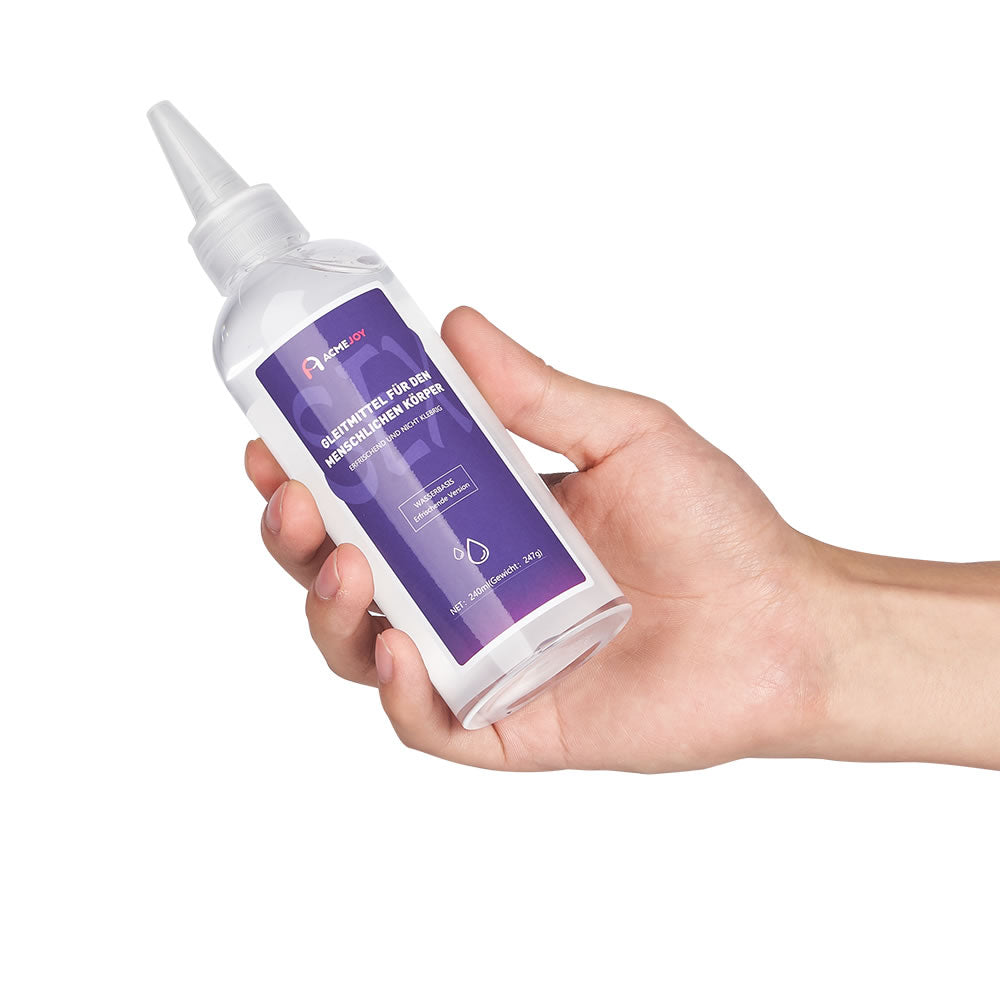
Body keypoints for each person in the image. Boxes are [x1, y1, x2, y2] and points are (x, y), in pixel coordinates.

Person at [244, 307, 1000, 772]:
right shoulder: (240, 342)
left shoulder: (338, 279)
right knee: (348, 535)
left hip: (581, 609)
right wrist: (793, 644)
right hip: (495, 659)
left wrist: (791, 626)